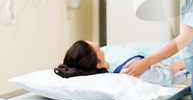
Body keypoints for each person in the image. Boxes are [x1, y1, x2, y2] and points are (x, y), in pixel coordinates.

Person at [54, 40, 186, 86]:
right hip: (169, 60)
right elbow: (165, 75)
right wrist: (179, 65)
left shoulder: (107, 57)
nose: (98, 45)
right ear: (97, 65)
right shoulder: (130, 71)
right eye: (98, 49)